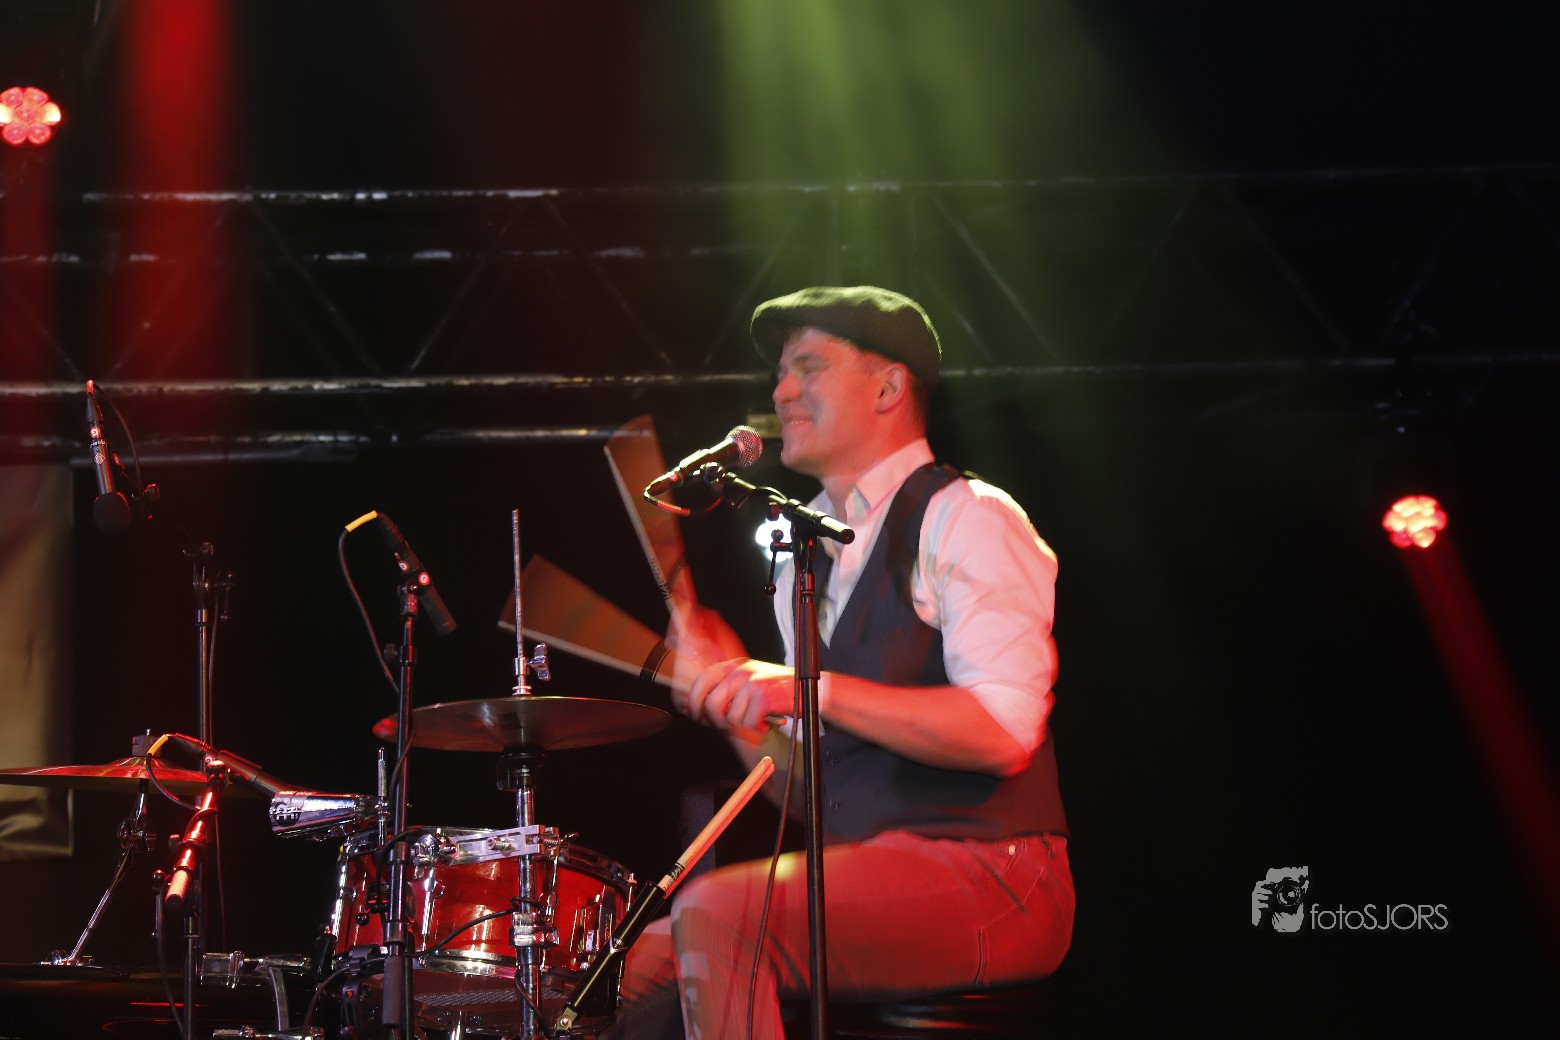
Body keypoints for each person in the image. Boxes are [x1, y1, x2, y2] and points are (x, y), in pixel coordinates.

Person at [612, 286, 1073, 1039]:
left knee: (716, 914)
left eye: (808, 367)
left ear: (888, 388)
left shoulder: (969, 516)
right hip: (878, 875)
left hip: (1000, 876)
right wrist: (737, 703)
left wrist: (807, 690)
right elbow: (812, 790)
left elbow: (1004, 732)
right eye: (779, 374)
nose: (781, 392)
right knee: (625, 976)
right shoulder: (805, 558)